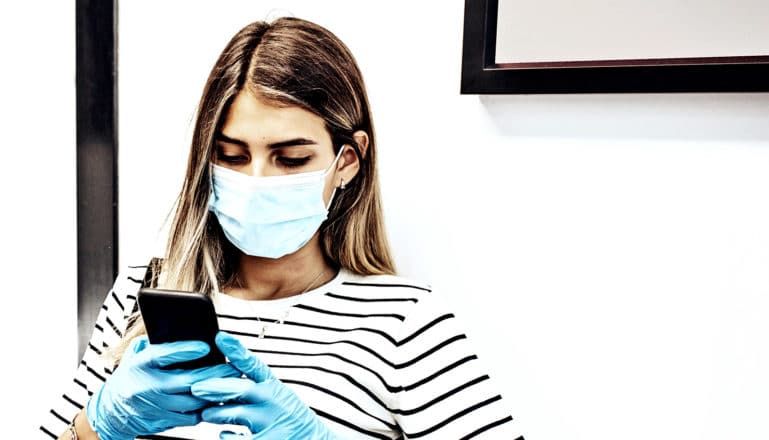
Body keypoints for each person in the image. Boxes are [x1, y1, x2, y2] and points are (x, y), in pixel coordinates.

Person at [40, 16, 525, 440]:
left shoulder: (403, 322)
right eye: (231, 155)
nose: (255, 181)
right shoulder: (143, 292)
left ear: (347, 161)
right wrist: (98, 424)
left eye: (290, 159)